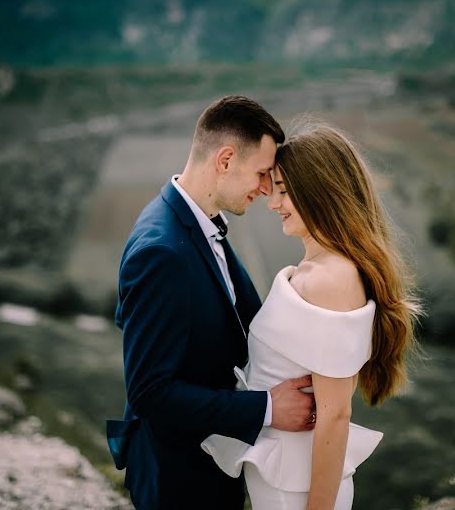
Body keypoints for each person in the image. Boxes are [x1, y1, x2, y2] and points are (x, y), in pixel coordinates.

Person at [106, 95, 318, 510]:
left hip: (208, 464)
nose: (264, 188)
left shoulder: (199, 222)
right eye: (261, 173)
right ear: (224, 160)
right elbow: (150, 392)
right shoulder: (162, 252)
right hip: (178, 479)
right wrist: (267, 409)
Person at [201, 123, 422, 509]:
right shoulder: (316, 270)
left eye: (284, 191)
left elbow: (335, 413)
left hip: (299, 492)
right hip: (284, 482)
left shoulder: (330, 279)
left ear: (320, 193)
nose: (273, 204)